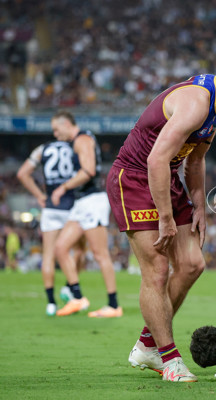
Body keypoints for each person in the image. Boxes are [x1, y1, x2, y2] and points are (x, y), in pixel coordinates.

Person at [106, 58, 216, 382]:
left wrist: (198, 205)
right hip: (134, 179)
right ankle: (168, 359)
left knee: (191, 264)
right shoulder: (196, 102)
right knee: (156, 271)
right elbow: (155, 158)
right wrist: (167, 218)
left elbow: (195, 159)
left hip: (165, 178)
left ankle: (147, 344)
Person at [47, 111, 121, 318]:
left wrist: (63, 188)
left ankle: (113, 305)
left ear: (66, 124)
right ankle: (77, 297)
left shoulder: (82, 140)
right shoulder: (78, 141)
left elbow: (88, 171)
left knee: (100, 254)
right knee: (61, 248)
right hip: (82, 203)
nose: (55, 134)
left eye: (56, 129)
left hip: (92, 201)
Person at [17, 137, 86, 316]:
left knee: (48, 254)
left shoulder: (42, 149)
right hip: (71, 207)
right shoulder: (75, 147)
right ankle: (70, 288)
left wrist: (39, 195)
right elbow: (85, 172)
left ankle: (51, 303)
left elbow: (22, 173)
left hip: (50, 208)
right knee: (79, 250)